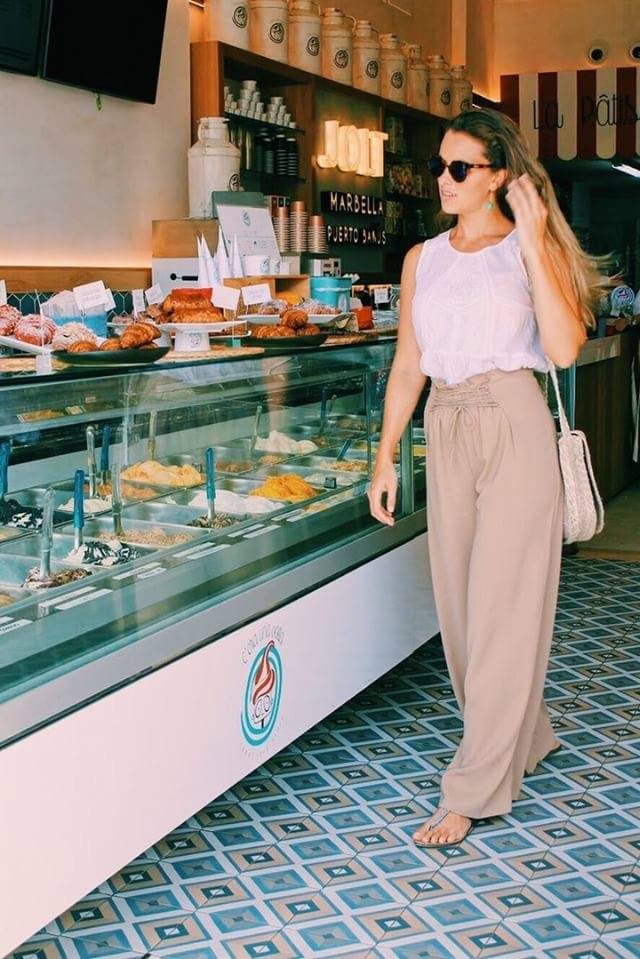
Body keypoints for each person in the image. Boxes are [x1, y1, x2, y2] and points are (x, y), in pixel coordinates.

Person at [368, 108, 603, 848]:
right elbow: (409, 362)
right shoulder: (422, 258)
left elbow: (563, 349)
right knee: (462, 609)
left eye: (460, 168)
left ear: (498, 175)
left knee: (504, 604)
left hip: (512, 419)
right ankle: (523, 732)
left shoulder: (528, 249)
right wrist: (385, 456)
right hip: (446, 421)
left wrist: (533, 241)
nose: (443, 179)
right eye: (441, 165)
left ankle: (475, 785)